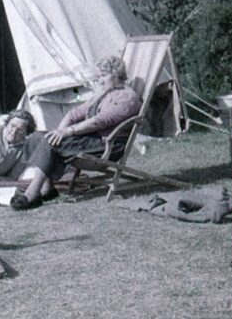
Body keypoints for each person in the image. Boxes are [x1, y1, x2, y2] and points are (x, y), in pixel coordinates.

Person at [10, 55, 142, 210]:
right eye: (98, 76)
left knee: (50, 142)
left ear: (117, 74)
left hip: (106, 144)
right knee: (38, 137)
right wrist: (59, 131)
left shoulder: (127, 98)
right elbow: (74, 114)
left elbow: (98, 121)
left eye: (103, 75)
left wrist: (67, 132)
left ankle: (32, 194)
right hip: (90, 139)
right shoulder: (103, 93)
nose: (99, 80)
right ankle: (47, 188)